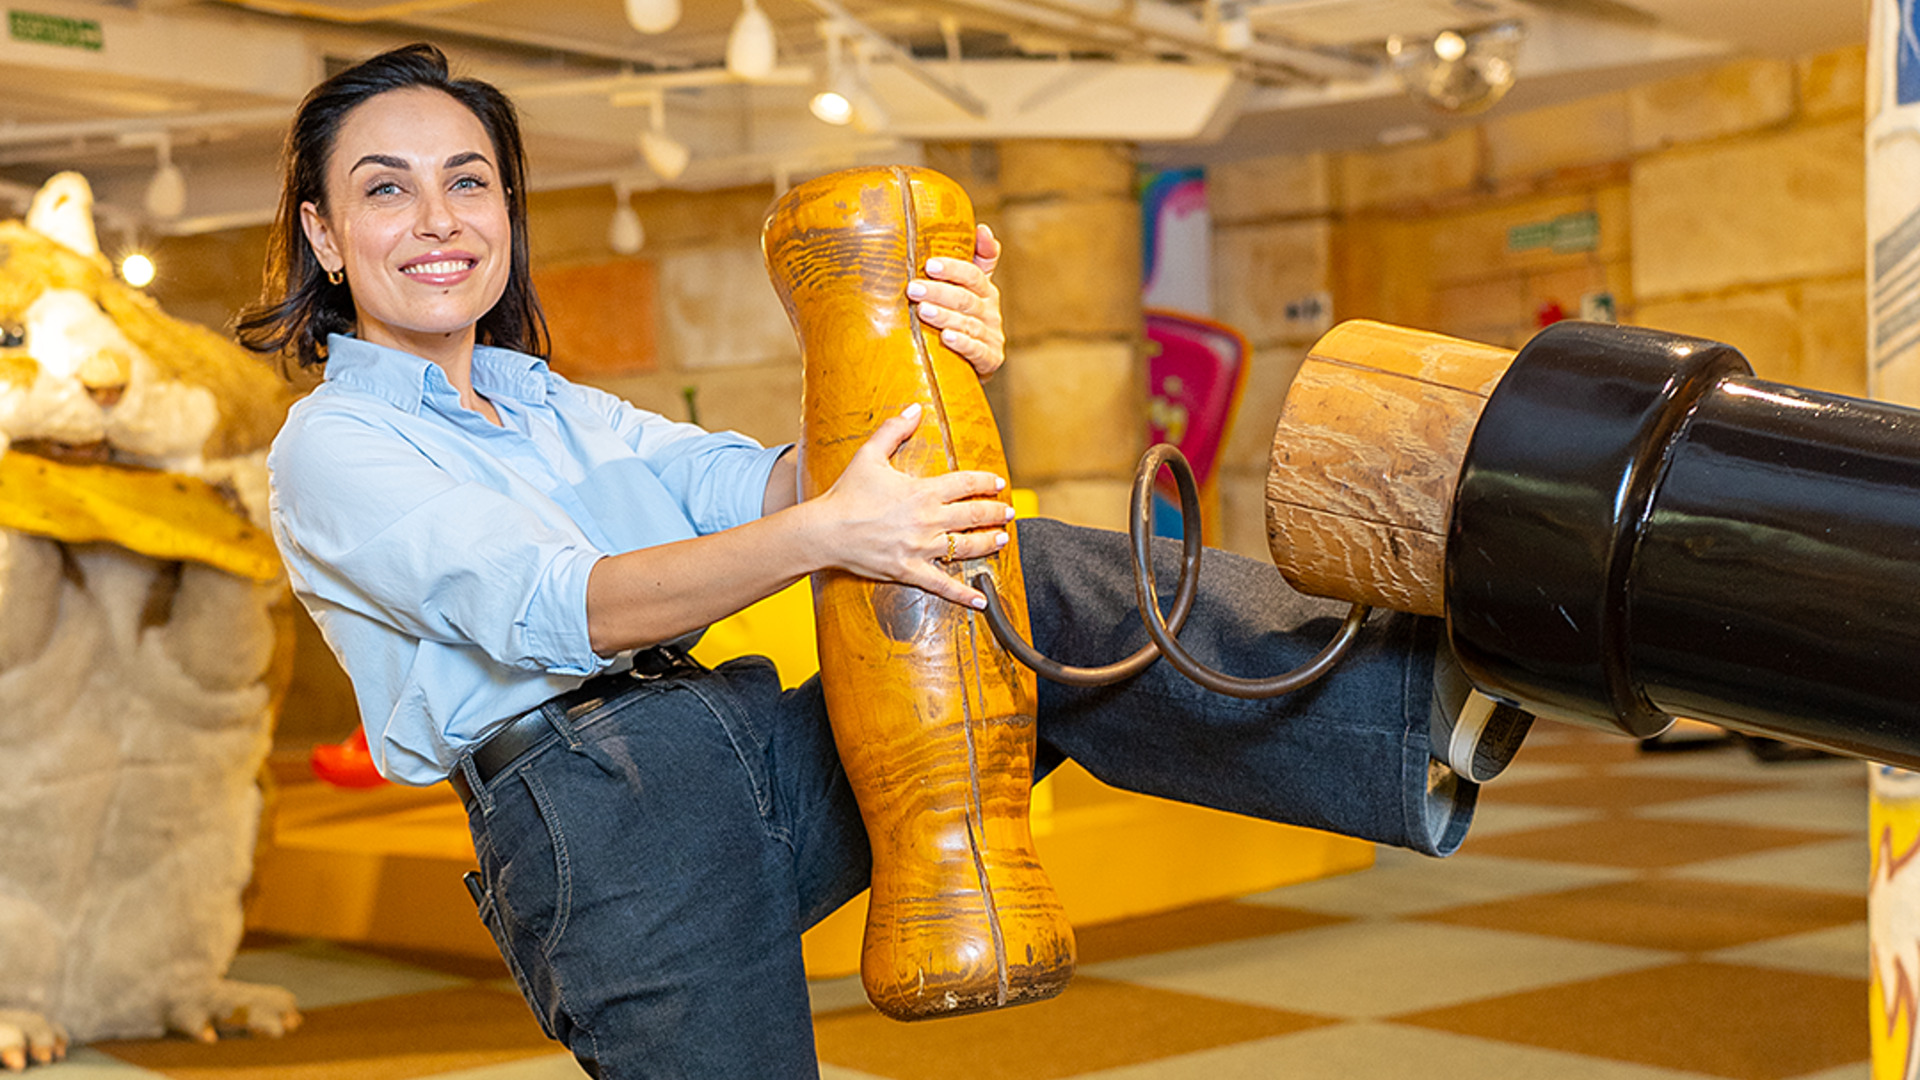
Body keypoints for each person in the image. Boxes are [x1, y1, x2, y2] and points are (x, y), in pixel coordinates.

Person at [244, 42, 1532, 1080]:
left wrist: (923, 353)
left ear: (505, 213)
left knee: (1011, 573)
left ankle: (1418, 710)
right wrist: (823, 537)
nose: (438, 220)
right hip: (598, 828)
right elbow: (557, 609)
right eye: (386, 187)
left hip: (733, 745)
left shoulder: (553, 406)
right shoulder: (332, 446)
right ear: (321, 233)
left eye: (469, 182)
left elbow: (773, 483)